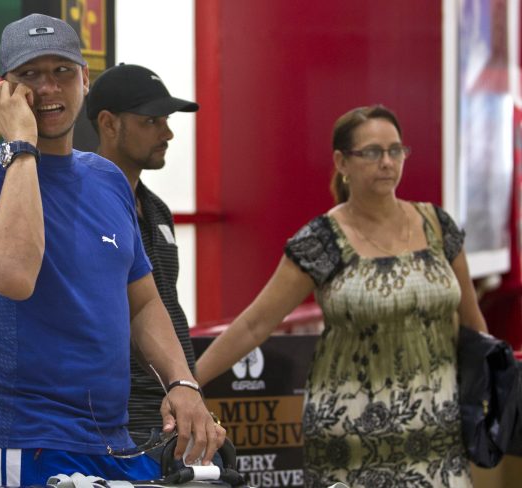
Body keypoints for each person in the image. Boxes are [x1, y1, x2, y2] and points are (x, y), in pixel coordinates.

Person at [0, 13, 222, 488]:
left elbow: (143, 300)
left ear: (85, 80)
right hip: (21, 447)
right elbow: (14, 274)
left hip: (113, 443)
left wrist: (182, 382)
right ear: (3, 91)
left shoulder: (107, 179)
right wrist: (21, 145)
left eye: (62, 72)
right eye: (29, 75)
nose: (48, 88)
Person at [194, 105, 488, 488]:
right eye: (371, 152)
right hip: (350, 438)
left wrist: (488, 390)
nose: (386, 162)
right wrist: (187, 382)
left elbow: (472, 321)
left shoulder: (438, 226)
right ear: (342, 162)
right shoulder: (322, 240)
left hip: (439, 431)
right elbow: (255, 324)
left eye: (395, 150)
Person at [86, 63, 201, 449]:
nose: (167, 133)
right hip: (114, 421)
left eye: (166, 120)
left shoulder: (157, 211)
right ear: (108, 123)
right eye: (152, 121)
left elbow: (163, 306)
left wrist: (186, 385)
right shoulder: (78, 207)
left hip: (176, 408)